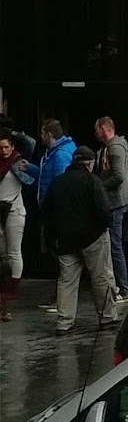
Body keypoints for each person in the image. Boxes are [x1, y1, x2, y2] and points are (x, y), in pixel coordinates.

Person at [42, 147, 118, 335]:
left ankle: (64, 321)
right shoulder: (93, 181)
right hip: (93, 237)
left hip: (66, 240)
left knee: (67, 281)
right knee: (101, 277)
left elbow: (47, 212)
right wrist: (107, 224)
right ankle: (107, 317)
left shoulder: (58, 182)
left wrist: (52, 240)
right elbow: (104, 209)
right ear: (90, 163)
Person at [18, 120, 77, 313]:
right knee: (60, 256)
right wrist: (31, 168)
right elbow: (47, 176)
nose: (40, 136)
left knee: (61, 257)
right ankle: (60, 297)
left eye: (42, 133)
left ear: (50, 135)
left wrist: (55, 211)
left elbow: (60, 185)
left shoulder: (60, 154)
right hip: (53, 212)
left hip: (56, 213)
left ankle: (61, 299)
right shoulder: (54, 152)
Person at [94, 115, 128, 303]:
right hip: (114, 202)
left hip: (114, 203)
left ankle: (123, 288)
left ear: (104, 129)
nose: (95, 133)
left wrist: (98, 186)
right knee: (113, 245)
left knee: (115, 246)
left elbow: (118, 177)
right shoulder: (111, 147)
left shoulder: (114, 148)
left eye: (97, 130)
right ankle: (117, 286)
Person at [0, 128, 32, 321]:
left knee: (13, 251)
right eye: (0, 147)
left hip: (14, 209)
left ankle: (12, 290)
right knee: (3, 253)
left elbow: (30, 143)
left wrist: (15, 134)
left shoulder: (18, 161)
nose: (3, 151)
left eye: (6, 147)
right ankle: (4, 291)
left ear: (12, 147)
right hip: (0, 209)